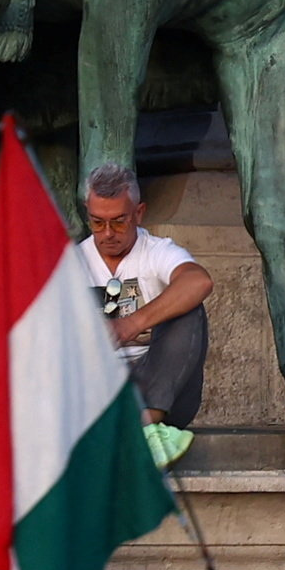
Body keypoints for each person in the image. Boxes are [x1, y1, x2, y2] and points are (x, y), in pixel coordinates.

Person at [76, 169, 210, 464]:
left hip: (163, 391)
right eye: (98, 223)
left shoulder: (158, 251)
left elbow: (198, 282)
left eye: (118, 221)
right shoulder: (72, 262)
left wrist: (130, 324)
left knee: (188, 309)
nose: (108, 233)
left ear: (138, 213)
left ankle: (147, 427)